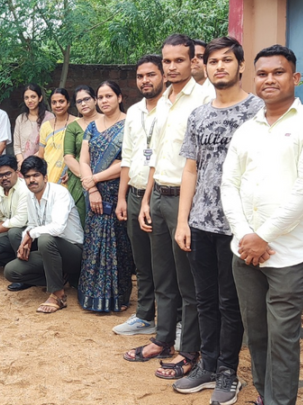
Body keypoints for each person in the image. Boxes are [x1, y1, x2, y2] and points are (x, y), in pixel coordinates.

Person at [221, 44, 303, 405]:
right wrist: (245, 236)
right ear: (253, 78)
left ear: (295, 78)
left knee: (283, 336)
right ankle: (264, 394)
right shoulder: (247, 130)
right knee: (255, 333)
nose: (269, 79)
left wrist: (263, 237)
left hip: (291, 253)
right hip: (246, 252)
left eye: (278, 72)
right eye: (262, 73)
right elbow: (230, 184)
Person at [171, 37, 264, 404]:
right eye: (213, 61)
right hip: (201, 223)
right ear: (205, 67)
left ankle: (228, 371)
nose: (220, 66)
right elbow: (190, 170)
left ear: (241, 66)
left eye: (228, 60)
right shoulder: (199, 114)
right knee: (204, 299)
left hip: (238, 227)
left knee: (230, 303)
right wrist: (183, 221)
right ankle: (207, 365)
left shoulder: (257, 110)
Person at [127, 34, 212, 380]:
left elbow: (202, 163)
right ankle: (163, 340)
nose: (172, 67)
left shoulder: (205, 98)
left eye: (179, 60)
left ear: (193, 61)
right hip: (158, 195)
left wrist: (188, 212)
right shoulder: (163, 100)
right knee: (163, 276)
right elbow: (156, 155)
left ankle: (189, 351)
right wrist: (146, 198)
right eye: (167, 61)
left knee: (188, 283)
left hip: (185, 201)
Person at [113, 54, 165, 336]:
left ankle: (175, 322)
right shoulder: (134, 112)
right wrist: (122, 198)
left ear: (163, 76)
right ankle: (145, 316)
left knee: (165, 265)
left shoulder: (171, 110)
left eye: (151, 75)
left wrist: (147, 197)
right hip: (133, 193)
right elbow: (128, 157)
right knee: (142, 262)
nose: (145, 81)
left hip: (161, 195)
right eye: (141, 76)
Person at [77, 81, 133, 313]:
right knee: (94, 243)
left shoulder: (130, 125)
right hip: (94, 195)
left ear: (119, 97)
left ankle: (118, 297)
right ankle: (91, 297)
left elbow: (125, 163)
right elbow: (83, 160)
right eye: (100, 97)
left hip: (117, 192)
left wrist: (95, 179)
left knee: (119, 245)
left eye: (109, 96)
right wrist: (91, 189)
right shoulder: (91, 127)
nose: (104, 101)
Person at [4, 156, 84, 313]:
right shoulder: (30, 196)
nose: (31, 180)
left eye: (36, 175)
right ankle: (58, 279)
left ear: (45, 177)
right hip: (50, 253)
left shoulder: (60, 193)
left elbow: (57, 228)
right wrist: (24, 241)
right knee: (11, 271)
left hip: (73, 252)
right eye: (27, 177)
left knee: (45, 239)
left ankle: (58, 295)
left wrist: (30, 235)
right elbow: (33, 224)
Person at [64, 85, 101, 225]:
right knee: (81, 221)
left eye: (87, 99)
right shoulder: (73, 127)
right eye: (79, 101)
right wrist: (88, 180)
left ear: (95, 100)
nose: (83, 104)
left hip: (108, 179)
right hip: (80, 182)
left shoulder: (109, 121)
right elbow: (68, 156)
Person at [38, 88, 77, 184]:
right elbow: (41, 155)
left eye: (61, 101)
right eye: (54, 102)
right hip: (48, 177)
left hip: (69, 177)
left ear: (68, 103)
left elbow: (82, 153)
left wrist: (72, 171)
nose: (58, 105)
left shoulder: (78, 123)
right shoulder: (46, 126)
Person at [13, 83, 53, 167]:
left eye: (33, 97)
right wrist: (21, 163)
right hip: (23, 165)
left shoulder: (49, 118)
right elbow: (17, 146)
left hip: (43, 164)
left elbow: (50, 144)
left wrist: (32, 162)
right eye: (26, 98)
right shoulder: (21, 119)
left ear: (40, 98)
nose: (30, 100)